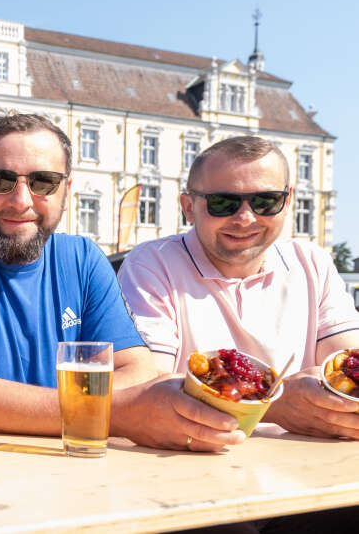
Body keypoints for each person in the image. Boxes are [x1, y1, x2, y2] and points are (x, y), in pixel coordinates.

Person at [0, 113, 173, 437]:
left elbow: (138, 370)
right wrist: (112, 411)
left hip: (79, 471)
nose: (21, 201)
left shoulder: (84, 259)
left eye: (43, 182)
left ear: (65, 192)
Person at [118, 135, 359, 448]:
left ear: (287, 202)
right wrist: (275, 403)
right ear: (189, 207)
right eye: (223, 203)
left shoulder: (311, 261)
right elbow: (149, 391)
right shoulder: (152, 264)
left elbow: (346, 364)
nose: (245, 218)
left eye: (265, 201)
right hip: (196, 464)